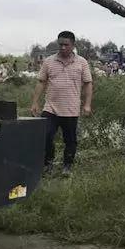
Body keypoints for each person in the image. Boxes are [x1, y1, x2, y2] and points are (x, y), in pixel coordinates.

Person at [31, 31, 93, 176]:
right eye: (61, 45)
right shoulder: (49, 61)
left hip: (71, 109)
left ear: (73, 45)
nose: (63, 47)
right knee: (45, 136)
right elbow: (41, 82)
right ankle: (48, 164)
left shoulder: (81, 62)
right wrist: (35, 102)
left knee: (70, 140)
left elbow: (88, 84)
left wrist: (87, 104)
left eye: (66, 45)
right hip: (51, 108)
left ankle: (67, 166)